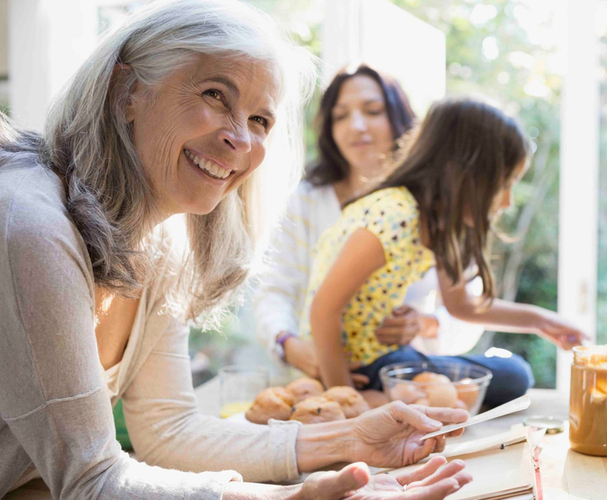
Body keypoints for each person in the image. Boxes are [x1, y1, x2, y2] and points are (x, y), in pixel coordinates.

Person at [0, 1, 471, 499]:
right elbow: (91, 480)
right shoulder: (34, 227)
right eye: (214, 94)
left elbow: (169, 430)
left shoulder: (160, 241)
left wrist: (351, 437)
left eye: (260, 120)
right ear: (127, 91)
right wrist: (289, 497)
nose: (239, 138)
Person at [301, 98, 587, 408]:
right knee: (512, 374)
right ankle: (375, 400)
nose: (506, 202)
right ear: (463, 173)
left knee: (513, 374)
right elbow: (323, 311)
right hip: (360, 366)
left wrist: (540, 320)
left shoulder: (438, 225)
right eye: (504, 184)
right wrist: (345, 399)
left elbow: (464, 306)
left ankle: (389, 399)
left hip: (388, 360)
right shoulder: (395, 215)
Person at [254, 64, 485, 385]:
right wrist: (290, 346)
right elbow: (276, 290)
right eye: (341, 116)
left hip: (403, 375)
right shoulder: (306, 200)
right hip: (317, 381)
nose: (357, 126)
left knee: (508, 375)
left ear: (400, 119)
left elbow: (468, 308)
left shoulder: (431, 204)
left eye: (373, 111)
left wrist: (425, 323)